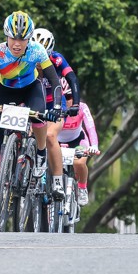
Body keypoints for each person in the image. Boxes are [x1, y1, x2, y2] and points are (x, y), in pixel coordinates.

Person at [0, 11, 66, 198]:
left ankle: (41, 152)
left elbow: (54, 81)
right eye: (13, 38)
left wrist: (57, 107)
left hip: (31, 89)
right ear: (6, 36)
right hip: (6, 90)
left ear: (30, 38)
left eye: (23, 39)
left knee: (38, 117)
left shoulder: (37, 50)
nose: (17, 44)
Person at [31, 27, 82, 192]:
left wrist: (75, 104)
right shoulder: (24, 59)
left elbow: (72, 79)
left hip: (55, 105)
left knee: (51, 135)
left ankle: (58, 181)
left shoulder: (57, 60)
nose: (39, 64)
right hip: (32, 102)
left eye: (42, 59)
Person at [56, 78, 100, 206]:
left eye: (69, 97)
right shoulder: (53, 107)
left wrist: (94, 145)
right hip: (56, 142)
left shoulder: (82, 107)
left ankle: (82, 188)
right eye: (62, 98)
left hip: (78, 140)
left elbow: (91, 127)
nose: (66, 101)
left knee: (79, 163)